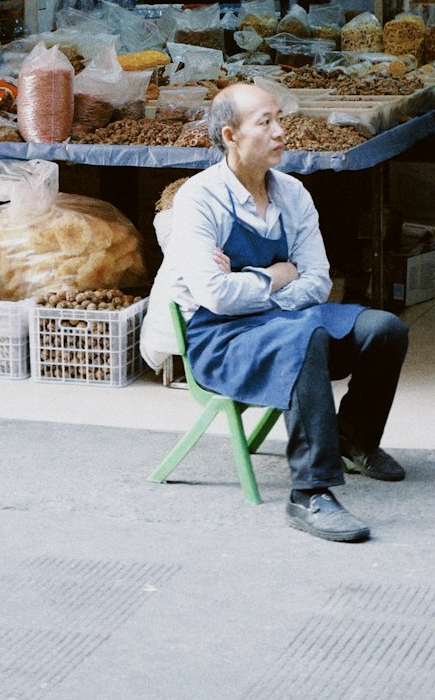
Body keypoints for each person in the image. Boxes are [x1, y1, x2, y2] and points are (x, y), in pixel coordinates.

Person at [141, 81, 408, 543]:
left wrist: (260, 286)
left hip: (289, 320)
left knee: (383, 329)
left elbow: (319, 280)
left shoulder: (293, 194)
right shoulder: (198, 201)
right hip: (222, 340)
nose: (281, 131)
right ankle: (310, 492)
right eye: (265, 123)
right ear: (230, 136)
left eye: (279, 119)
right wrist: (278, 275)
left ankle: (355, 438)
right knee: (305, 339)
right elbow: (217, 298)